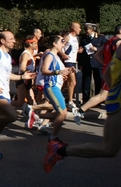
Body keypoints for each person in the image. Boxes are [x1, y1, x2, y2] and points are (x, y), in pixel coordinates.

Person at [44, 41, 121, 173]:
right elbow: (108, 73)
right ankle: (59, 150)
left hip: (115, 102)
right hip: (118, 106)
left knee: (109, 149)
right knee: (109, 149)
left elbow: (107, 73)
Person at [0, 31, 36, 158]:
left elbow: (7, 75)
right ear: (2, 41)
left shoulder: (7, 56)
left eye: (14, 38)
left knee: (3, 122)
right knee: (13, 116)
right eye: (11, 38)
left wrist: (22, 76)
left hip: (4, 92)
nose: (14, 41)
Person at [73, 24, 121, 124]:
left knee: (103, 95)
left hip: (108, 71)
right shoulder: (118, 42)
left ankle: (80, 110)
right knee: (103, 95)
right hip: (115, 73)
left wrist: (105, 63)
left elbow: (97, 55)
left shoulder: (108, 42)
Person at [78, 23, 107, 103]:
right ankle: (86, 99)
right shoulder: (83, 39)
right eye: (85, 29)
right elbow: (81, 51)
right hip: (87, 63)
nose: (86, 31)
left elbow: (105, 48)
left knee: (99, 81)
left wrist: (96, 49)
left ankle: (98, 100)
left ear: (92, 29)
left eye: (87, 29)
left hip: (97, 63)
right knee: (86, 82)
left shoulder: (101, 38)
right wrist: (80, 62)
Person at [58, 22, 81, 108]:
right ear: (74, 28)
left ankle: (55, 95)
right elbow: (59, 47)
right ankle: (70, 101)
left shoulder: (76, 38)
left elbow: (72, 49)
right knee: (73, 82)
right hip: (68, 62)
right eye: (79, 27)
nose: (80, 29)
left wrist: (79, 51)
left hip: (73, 61)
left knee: (65, 82)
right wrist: (63, 54)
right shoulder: (68, 37)